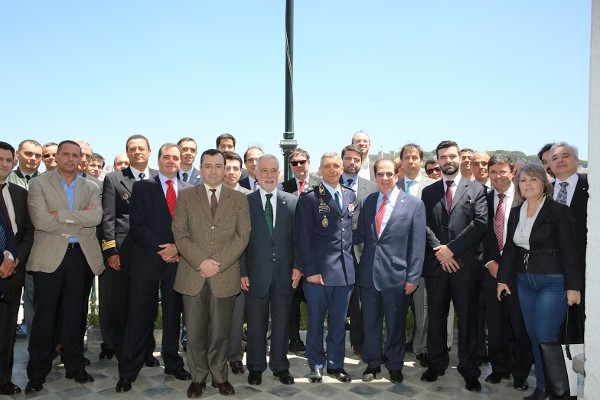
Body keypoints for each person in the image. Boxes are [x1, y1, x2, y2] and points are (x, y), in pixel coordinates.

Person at [496, 163, 583, 400]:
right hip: (524, 281)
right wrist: (502, 280)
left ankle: (559, 391)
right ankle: (542, 388)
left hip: (553, 282)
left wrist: (573, 286)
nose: (527, 184)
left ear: (543, 183)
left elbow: (569, 250)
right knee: (533, 334)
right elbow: (511, 250)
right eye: (523, 180)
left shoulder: (558, 211)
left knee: (546, 334)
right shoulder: (516, 212)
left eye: (533, 179)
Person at [25, 140, 104, 393]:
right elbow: (41, 221)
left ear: (81, 159)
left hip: (80, 257)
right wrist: (77, 220)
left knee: (75, 315)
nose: (71, 159)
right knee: (44, 316)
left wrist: (61, 214)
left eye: (75, 155)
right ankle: (37, 371)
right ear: (57, 157)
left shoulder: (90, 187)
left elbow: (96, 217)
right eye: (66, 154)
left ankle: (75, 366)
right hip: (49, 258)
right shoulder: (38, 184)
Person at [173, 149, 251, 398]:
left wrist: (217, 264)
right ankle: (197, 378)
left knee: (220, 332)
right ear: (201, 168)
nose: (214, 171)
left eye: (219, 166)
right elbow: (180, 234)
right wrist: (201, 262)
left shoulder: (239, 199)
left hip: (224, 274)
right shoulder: (186, 197)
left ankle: (219, 376)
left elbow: (242, 236)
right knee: (194, 332)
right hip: (192, 274)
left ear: (225, 168)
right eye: (208, 166)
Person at [115, 144, 192, 392]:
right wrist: (163, 249)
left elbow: (194, 228)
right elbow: (137, 225)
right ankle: (129, 369)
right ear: (158, 160)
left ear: (181, 162)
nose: (171, 161)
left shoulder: (191, 190)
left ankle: (172, 361)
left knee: (173, 316)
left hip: (178, 263)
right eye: (166, 157)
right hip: (147, 260)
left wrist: (178, 248)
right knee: (139, 317)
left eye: (175, 158)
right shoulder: (142, 187)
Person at [420, 140, 487, 392]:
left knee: (468, 320)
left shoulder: (477, 189)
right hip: (437, 265)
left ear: (459, 158)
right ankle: (436, 364)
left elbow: (480, 224)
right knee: (436, 317)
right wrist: (441, 251)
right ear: (437, 161)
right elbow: (423, 225)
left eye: (451, 156)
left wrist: (453, 250)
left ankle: (469, 368)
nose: (447, 161)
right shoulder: (428, 192)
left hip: (466, 265)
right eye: (442, 157)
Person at [353, 158, 426, 384]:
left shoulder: (413, 204)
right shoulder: (367, 201)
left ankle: (395, 365)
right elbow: (361, 235)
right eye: (380, 174)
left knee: (395, 324)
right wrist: (336, 235)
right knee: (371, 323)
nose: (384, 178)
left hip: (397, 276)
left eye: (389, 174)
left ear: (397, 175)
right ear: (375, 177)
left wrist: (413, 277)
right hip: (368, 276)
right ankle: (373, 364)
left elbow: (417, 244)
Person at [294, 152, 356, 383]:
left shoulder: (350, 195)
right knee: (316, 321)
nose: (332, 170)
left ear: (342, 169)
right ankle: (316, 364)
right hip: (318, 273)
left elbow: (350, 232)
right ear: (320, 170)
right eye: (327, 166)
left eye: (336, 166)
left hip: (345, 272)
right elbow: (302, 238)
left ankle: (335, 364)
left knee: (339, 322)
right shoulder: (310, 198)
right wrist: (309, 270)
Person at [242, 154, 301, 386]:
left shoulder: (292, 202)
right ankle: (255, 367)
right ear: (256, 173)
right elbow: (241, 240)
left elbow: (298, 240)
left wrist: (298, 267)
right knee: (255, 324)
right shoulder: (245, 202)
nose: (269, 175)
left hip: (285, 274)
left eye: (273, 170)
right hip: (255, 273)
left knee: (281, 322)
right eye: (264, 170)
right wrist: (242, 271)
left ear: (280, 174)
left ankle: (280, 366)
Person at [99, 135, 158, 364]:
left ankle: (146, 351)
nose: (137, 152)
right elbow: (108, 218)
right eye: (132, 149)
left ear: (149, 151)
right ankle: (124, 350)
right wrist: (110, 251)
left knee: (149, 303)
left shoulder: (157, 177)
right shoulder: (114, 179)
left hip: (152, 251)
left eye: (141, 148)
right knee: (122, 303)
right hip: (124, 251)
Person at [482, 154, 532, 391]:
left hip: (519, 271)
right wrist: (490, 262)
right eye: (493, 172)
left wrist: (508, 267)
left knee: (519, 324)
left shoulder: (524, 199)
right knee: (496, 323)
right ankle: (499, 367)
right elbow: (481, 233)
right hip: (491, 270)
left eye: (503, 172)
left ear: (513, 173)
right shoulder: (484, 197)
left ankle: (520, 372)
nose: (498, 176)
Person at [397, 144, 436, 367]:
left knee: (423, 307)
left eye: (415, 157)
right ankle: (397, 344)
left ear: (420, 161)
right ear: (401, 161)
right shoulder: (392, 185)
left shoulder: (433, 186)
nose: (411, 161)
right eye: (407, 158)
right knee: (397, 306)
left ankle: (420, 347)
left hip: (424, 256)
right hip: (397, 257)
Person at [0, 141, 33, 396]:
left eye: (7, 160)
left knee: (6, 332)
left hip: (12, 274)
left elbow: (26, 234)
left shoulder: (20, 194)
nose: (3, 164)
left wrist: (15, 260)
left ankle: (3, 380)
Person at [281, 148, 321, 355]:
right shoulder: (283, 187)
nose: (299, 166)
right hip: (291, 253)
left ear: (309, 162)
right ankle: (294, 339)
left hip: (315, 254)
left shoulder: (320, 186)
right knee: (292, 301)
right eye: (294, 163)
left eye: (302, 162)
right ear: (290, 166)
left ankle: (317, 343)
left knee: (316, 303)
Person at [340, 144, 377, 356]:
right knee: (337, 298)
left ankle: (359, 342)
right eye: (348, 158)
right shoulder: (331, 183)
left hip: (362, 251)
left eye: (356, 159)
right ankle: (334, 341)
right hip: (336, 252)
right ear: (342, 159)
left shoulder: (371, 187)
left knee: (360, 301)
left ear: (361, 162)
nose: (352, 163)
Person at [223, 151, 250, 375]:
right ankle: (213, 356)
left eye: (235, 168)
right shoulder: (208, 195)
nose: (231, 172)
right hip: (213, 267)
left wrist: (244, 270)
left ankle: (234, 357)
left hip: (240, 267)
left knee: (236, 316)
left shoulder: (250, 197)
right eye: (227, 167)